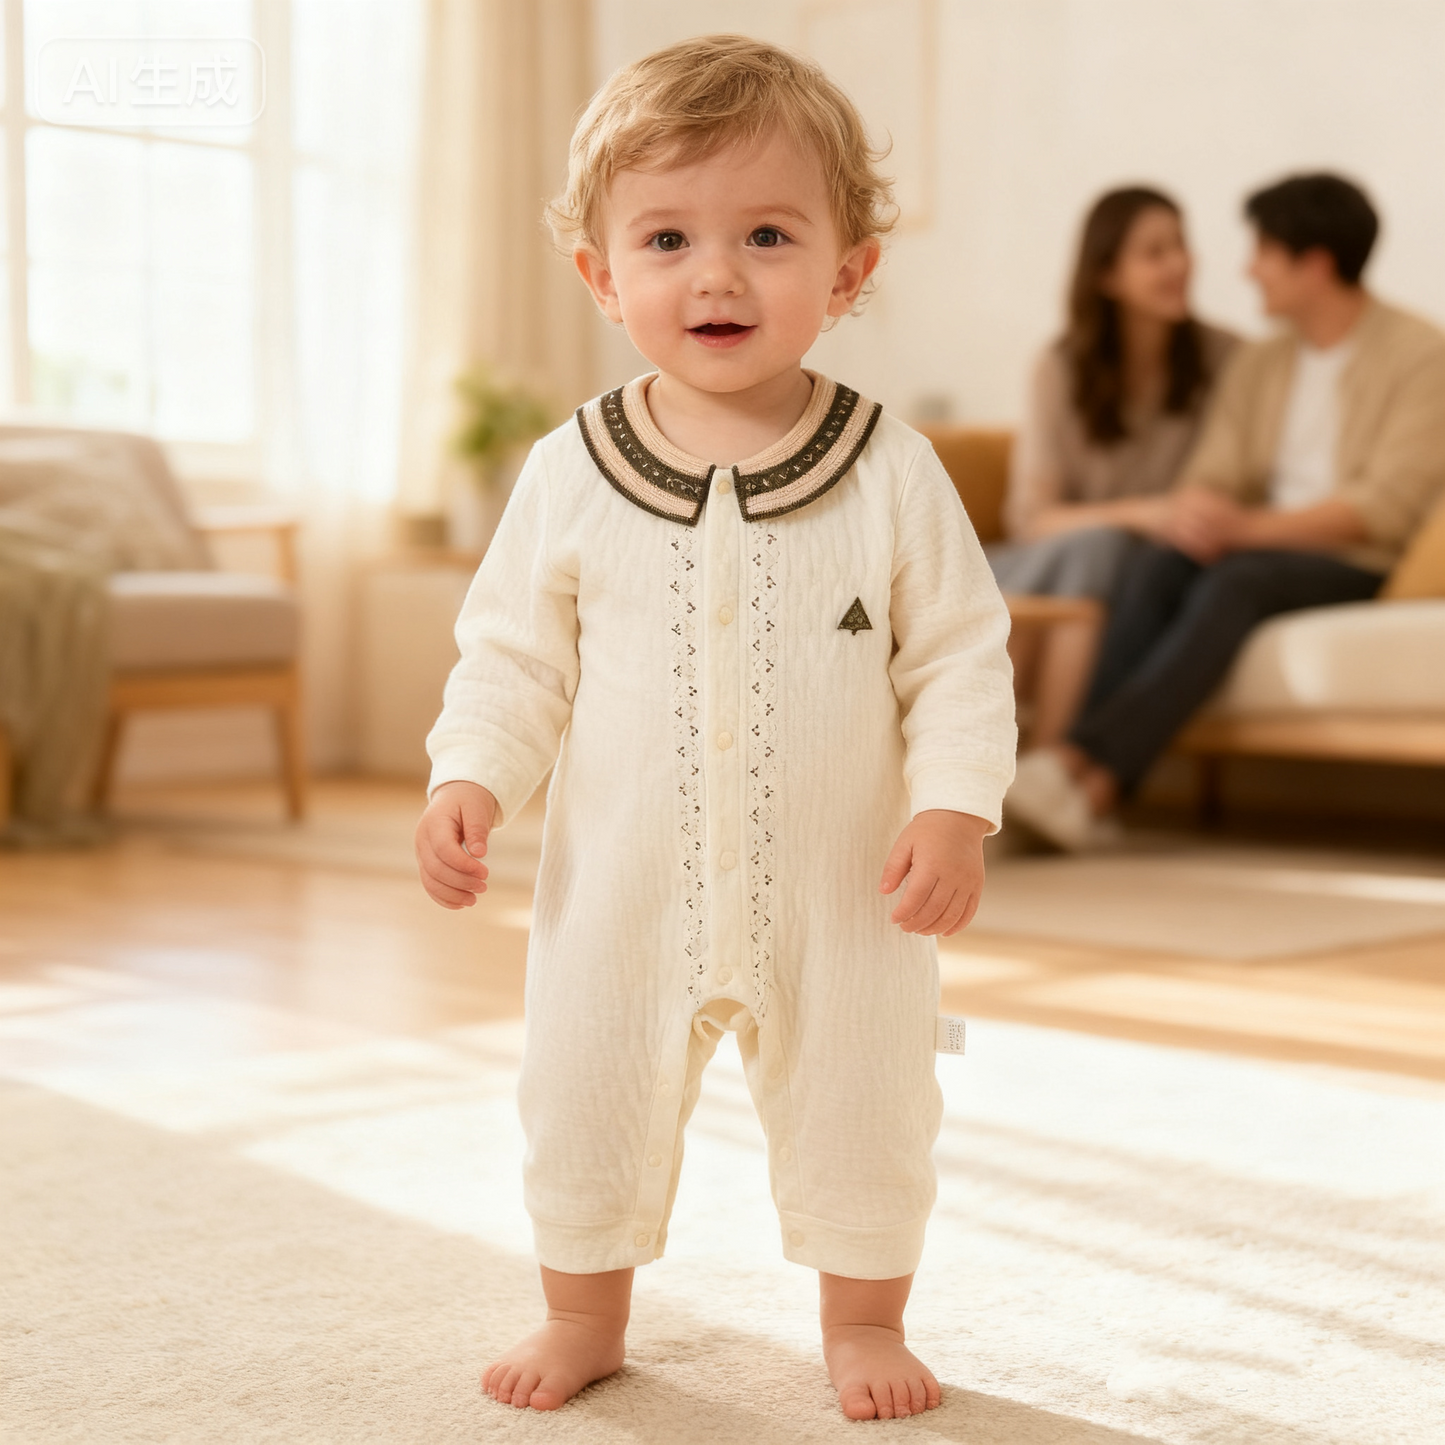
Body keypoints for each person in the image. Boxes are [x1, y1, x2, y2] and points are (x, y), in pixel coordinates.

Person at [413, 36, 1016, 1420]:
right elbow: (512, 657)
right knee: (586, 1089)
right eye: (667, 238)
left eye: (768, 235)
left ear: (849, 271)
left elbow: (957, 654)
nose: (717, 275)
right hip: (620, 891)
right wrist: (471, 780)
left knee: (868, 1101)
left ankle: (863, 1320)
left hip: (844, 894)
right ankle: (583, 1310)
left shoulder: (891, 471)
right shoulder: (569, 470)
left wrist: (953, 806)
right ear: (601, 274)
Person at [1006, 172, 1445, 849]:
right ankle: (1073, 783)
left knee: (1237, 579)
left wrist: (1248, 529)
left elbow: (1384, 508)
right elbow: (1215, 470)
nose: (1246, 269)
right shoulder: (1261, 362)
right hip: (1261, 547)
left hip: (1355, 558)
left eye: (1263, 252)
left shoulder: (1421, 356)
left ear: (1314, 263)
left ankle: (1083, 776)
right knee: (1159, 565)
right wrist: (1203, 517)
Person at [992, 187, 1236, 746]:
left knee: (1107, 560)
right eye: (1154, 252)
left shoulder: (1226, 358)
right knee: (1096, 551)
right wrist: (1144, 514)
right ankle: (1038, 761)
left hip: (1148, 576)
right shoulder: (1060, 368)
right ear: (1107, 276)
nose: (1178, 264)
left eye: (1180, 245)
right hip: (1044, 565)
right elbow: (1032, 519)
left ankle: (1032, 764)